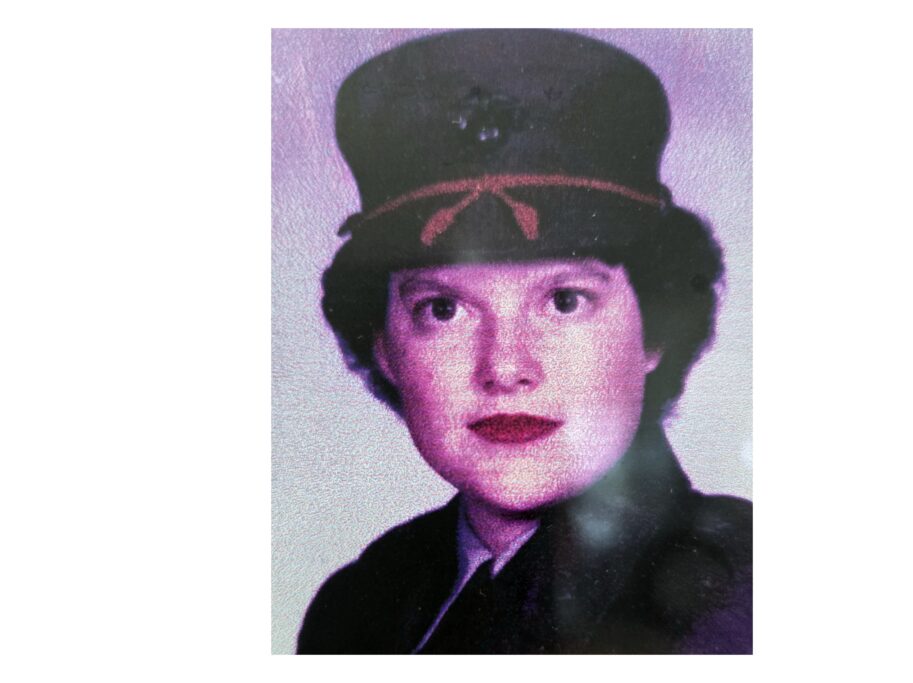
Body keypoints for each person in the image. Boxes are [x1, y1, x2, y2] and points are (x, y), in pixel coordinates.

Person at [297, 29, 751, 654]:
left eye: (565, 301)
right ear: (384, 347)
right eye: (444, 309)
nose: (505, 366)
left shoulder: (746, 598)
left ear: (655, 331)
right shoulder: (360, 604)